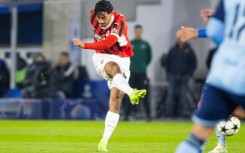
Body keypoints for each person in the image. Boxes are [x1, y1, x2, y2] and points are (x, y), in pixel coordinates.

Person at [73, 0, 146, 152]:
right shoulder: (93, 15)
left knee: (116, 99)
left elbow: (107, 43)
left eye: (104, 17)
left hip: (122, 57)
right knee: (112, 68)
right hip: (102, 56)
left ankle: (103, 142)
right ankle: (132, 91)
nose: (101, 21)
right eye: (99, 17)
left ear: (111, 14)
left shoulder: (120, 21)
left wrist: (84, 45)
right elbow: (104, 49)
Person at [175, 1, 245, 153]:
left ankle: (217, 144)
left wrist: (199, 32)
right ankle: (221, 144)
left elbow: (215, 32)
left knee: (197, 136)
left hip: (221, 74)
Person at [124, 25, 152, 121]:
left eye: (140, 31)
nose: (138, 33)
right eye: (136, 31)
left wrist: (142, 66)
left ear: (142, 32)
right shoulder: (130, 44)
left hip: (142, 73)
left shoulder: (146, 44)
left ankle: (148, 116)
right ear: (134, 32)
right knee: (130, 94)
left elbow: (149, 58)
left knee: (145, 94)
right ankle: (126, 116)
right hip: (132, 73)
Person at [165, 39, 197, 117]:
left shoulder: (189, 51)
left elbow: (194, 63)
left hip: (184, 76)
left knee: (182, 96)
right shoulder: (172, 50)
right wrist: (168, 73)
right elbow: (167, 62)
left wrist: (189, 74)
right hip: (173, 75)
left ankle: (180, 114)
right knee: (170, 96)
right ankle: (169, 114)